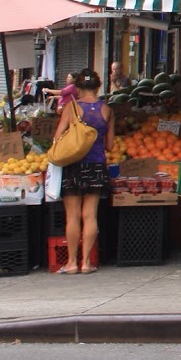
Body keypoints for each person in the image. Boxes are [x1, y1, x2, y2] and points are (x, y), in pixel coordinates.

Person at [54, 69, 112, 274]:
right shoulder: (107, 109)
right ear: (98, 87)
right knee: (89, 215)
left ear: (77, 88)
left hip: (73, 165)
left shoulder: (71, 108)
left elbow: (58, 137)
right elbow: (110, 145)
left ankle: (71, 263)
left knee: (72, 216)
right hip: (96, 165)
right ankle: (86, 262)